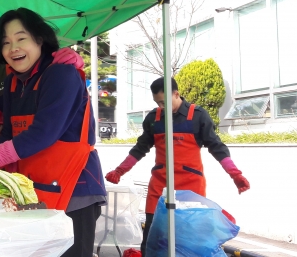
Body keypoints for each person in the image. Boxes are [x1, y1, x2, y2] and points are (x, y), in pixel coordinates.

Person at [0, 8, 106, 257]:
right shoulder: (15, 82)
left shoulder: (62, 73)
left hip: (75, 189)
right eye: (6, 43)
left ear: (40, 40)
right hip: (36, 187)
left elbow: (44, 133)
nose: (13, 48)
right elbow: (9, 133)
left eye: (21, 38)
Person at [104, 77, 250, 256]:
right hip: (160, 186)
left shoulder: (197, 116)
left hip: (190, 188)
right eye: (157, 102)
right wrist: (120, 170)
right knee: (152, 237)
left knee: (188, 238)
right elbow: (140, 148)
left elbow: (216, 146)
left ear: (176, 94)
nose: (161, 106)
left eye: (164, 102)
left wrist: (235, 174)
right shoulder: (154, 118)